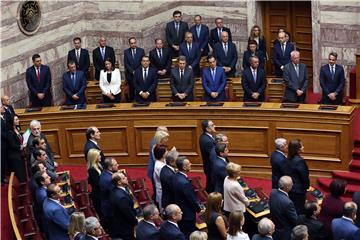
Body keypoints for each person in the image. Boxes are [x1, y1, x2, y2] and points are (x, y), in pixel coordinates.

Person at [173, 156, 202, 238]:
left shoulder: (176, 176)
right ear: (184, 167)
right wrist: (199, 209)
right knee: (189, 234)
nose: (191, 164)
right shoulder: (185, 183)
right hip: (187, 215)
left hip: (180, 208)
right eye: (189, 163)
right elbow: (191, 199)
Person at [109, 171, 138, 240]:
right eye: (123, 178)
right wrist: (136, 222)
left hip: (120, 223)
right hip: (126, 227)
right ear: (119, 182)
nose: (126, 178)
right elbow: (128, 213)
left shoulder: (115, 190)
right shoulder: (121, 197)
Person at [269, 176, 298, 240]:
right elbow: (295, 220)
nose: (293, 184)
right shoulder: (288, 202)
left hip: (274, 225)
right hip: (284, 232)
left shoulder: (272, 192)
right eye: (291, 183)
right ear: (287, 187)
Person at [286, 139, 310, 215]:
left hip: (290, 187)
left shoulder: (288, 158)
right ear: (297, 149)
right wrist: (307, 186)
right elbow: (304, 176)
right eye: (301, 146)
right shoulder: (299, 161)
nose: (303, 147)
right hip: (298, 190)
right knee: (298, 209)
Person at [147, 127, 169, 201]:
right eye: (165, 137)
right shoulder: (155, 145)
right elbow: (157, 158)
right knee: (157, 189)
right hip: (154, 169)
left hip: (156, 168)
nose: (167, 139)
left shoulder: (157, 143)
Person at [98, 157, 118, 233]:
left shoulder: (105, 174)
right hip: (110, 210)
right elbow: (115, 195)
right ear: (110, 167)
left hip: (107, 206)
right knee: (115, 231)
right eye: (115, 165)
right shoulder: (109, 179)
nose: (118, 165)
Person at [124, 37, 145, 101]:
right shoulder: (126, 52)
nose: (133, 44)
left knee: (140, 90)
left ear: (136, 43)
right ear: (129, 44)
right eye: (131, 43)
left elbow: (143, 62)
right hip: (130, 75)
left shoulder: (141, 50)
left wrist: (137, 71)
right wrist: (132, 71)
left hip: (139, 74)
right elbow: (126, 63)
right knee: (131, 91)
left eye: (134, 43)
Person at [7, 114, 26, 182]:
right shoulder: (10, 132)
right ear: (12, 122)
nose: (18, 121)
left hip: (20, 155)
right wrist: (21, 146)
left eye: (18, 119)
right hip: (15, 157)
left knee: (23, 173)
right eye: (16, 120)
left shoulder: (17, 129)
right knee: (20, 175)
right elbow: (12, 145)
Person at [199, 119, 216, 192]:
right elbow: (214, 156)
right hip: (211, 168)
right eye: (212, 125)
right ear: (207, 129)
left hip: (209, 167)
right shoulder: (207, 141)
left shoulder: (205, 136)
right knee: (212, 187)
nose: (214, 126)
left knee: (210, 185)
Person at [87, 149, 103, 219]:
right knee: (102, 214)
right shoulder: (92, 170)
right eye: (98, 155)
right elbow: (98, 183)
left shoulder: (98, 165)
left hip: (100, 193)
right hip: (98, 196)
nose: (100, 156)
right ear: (94, 157)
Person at [153, 145, 168, 211]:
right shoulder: (159, 166)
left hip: (164, 190)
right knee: (164, 210)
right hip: (162, 191)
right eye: (166, 151)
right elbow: (166, 179)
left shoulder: (163, 161)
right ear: (162, 154)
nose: (168, 152)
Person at [1, 105, 8, 184]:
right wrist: (9, 137)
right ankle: (1, 179)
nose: (3, 108)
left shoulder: (2, 117)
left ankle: (3, 177)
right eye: (1, 107)